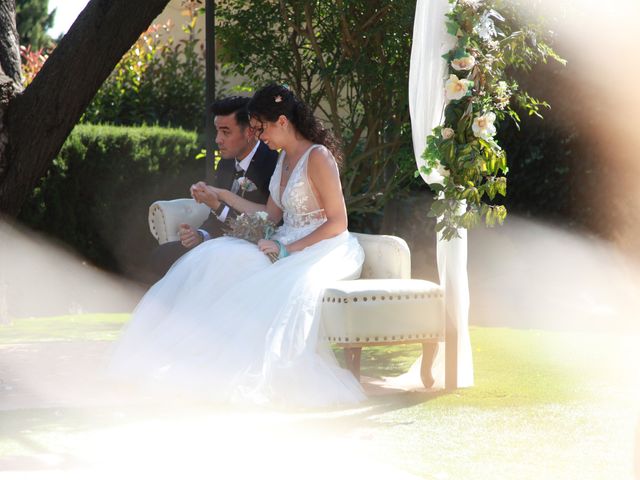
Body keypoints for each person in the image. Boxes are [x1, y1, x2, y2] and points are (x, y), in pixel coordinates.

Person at [110, 84, 366, 407]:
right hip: (283, 240)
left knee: (266, 281)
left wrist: (289, 250)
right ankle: (193, 354)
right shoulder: (284, 160)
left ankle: (240, 367)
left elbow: (338, 222)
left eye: (262, 128)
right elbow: (270, 214)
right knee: (220, 255)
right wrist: (222, 195)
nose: (260, 137)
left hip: (323, 248)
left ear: (283, 122)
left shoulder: (318, 157)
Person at [150, 96, 278, 278]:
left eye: (226, 132)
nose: (218, 139)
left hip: (252, 248)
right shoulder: (226, 163)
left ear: (250, 132)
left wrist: (216, 205)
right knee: (161, 255)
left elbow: (263, 227)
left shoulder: (272, 164)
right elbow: (215, 219)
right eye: (217, 131)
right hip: (222, 242)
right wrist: (200, 235)